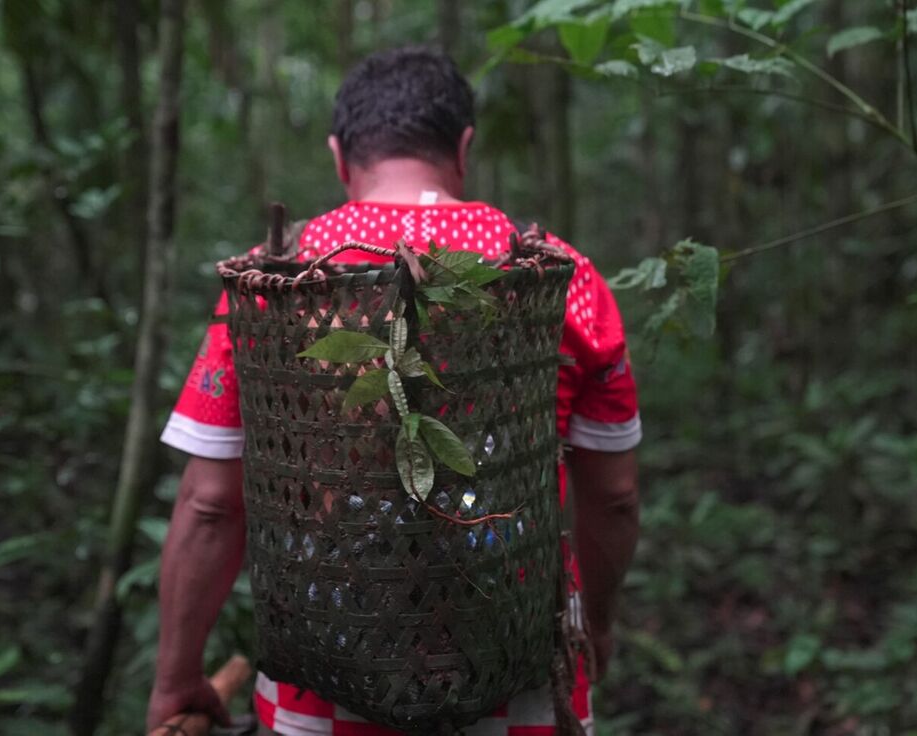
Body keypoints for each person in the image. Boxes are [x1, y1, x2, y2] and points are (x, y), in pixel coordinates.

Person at [147, 46, 641, 735]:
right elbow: (613, 496)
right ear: (464, 148)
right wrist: (603, 626)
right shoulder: (561, 275)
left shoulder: (273, 283)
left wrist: (176, 678)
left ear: (339, 156)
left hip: (324, 690)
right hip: (524, 681)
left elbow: (209, 505)